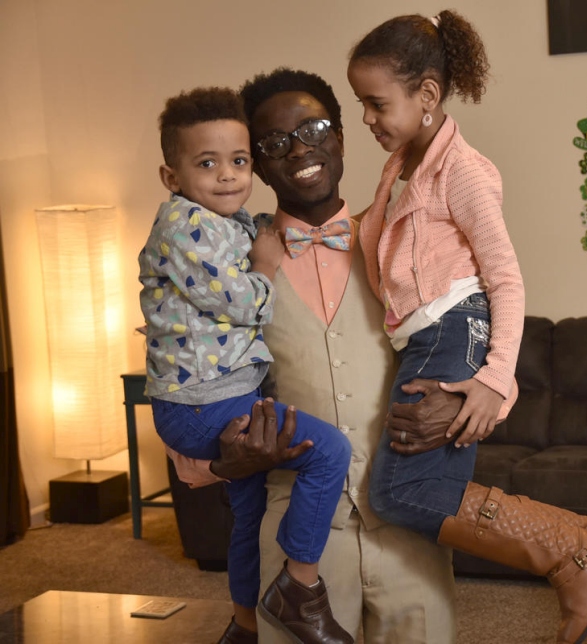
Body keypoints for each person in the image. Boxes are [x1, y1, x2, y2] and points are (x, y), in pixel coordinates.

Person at [346, 11, 587, 644]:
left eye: (376, 103)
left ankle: (574, 554)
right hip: (427, 335)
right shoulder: (402, 164)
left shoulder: (464, 172)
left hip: (452, 331)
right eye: (360, 104)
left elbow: (505, 280)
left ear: (426, 95)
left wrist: (494, 382)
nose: (365, 117)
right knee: (418, 489)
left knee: (401, 492)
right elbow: (373, 233)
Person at [167, 68, 467, 644]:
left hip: (408, 526)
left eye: (315, 128)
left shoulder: (406, 242)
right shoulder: (220, 265)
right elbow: (186, 400)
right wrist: (224, 461)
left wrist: (475, 398)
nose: (300, 149)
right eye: (274, 143)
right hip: (298, 539)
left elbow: (475, 343)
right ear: (255, 163)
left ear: (342, 139)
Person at [139, 87, 354, 644]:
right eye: (206, 164)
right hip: (207, 403)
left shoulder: (223, 221)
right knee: (330, 451)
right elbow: (242, 301)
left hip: (220, 393)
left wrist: (263, 232)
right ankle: (299, 586)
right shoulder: (183, 225)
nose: (228, 176)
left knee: (248, 513)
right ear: (172, 176)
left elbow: (246, 237)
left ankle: (242, 625)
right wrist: (265, 265)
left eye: (238, 162)